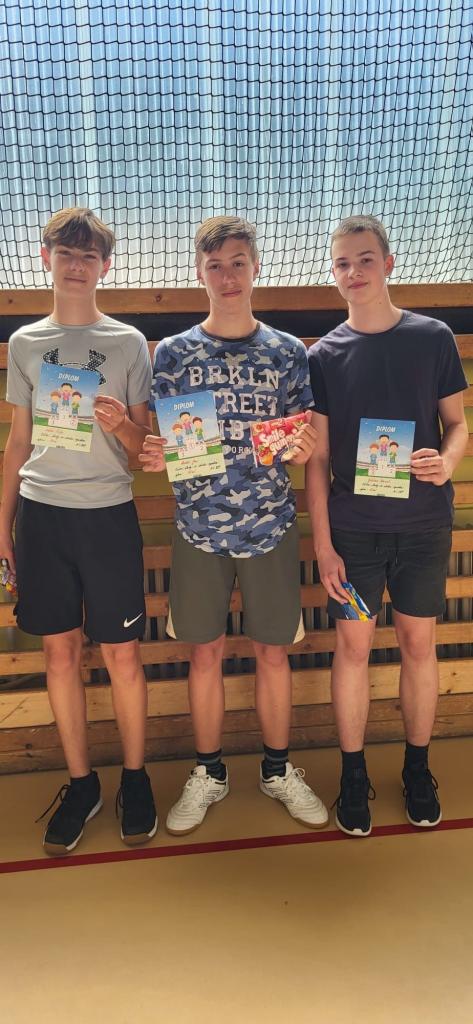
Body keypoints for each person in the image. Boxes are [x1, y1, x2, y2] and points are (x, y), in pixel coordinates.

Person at [141, 215, 328, 835]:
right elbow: (171, 442)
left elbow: (302, 437)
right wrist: (158, 454)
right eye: (215, 265)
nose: (227, 276)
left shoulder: (287, 351)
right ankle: (209, 772)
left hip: (270, 525)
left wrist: (302, 447)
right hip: (199, 528)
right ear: (200, 273)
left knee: (274, 653)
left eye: (238, 263)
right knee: (205, 653)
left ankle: (277, 769)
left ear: (256, 268)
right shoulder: (173, 353)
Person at [0, 207, 165, 855]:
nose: (76, 265)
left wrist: (121, 423)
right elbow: (18, 442)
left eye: (88, 255)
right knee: (60, 654)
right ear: (45, 259)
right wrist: (3, 527)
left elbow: (144, 449)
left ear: (105, 266)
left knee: (122, 655)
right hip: (41, 517)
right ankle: (81, 783)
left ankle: (135, 778)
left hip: (108, 517)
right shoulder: (24, 344)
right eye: (65, 253)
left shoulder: (127, 343)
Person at [306, 214, 468, 837]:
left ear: (388, 264)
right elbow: (317, 458)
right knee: (352, 649)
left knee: (418, 646)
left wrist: (446, 461)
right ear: (334, 274)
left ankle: (417, 769)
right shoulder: (323, 356)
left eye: (365, 259)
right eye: (343, 263)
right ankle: (354, 775)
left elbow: (457, 426)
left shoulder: (433, 338)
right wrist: (324, 545)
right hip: (354, 535)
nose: (354, 272)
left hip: (423, 528)